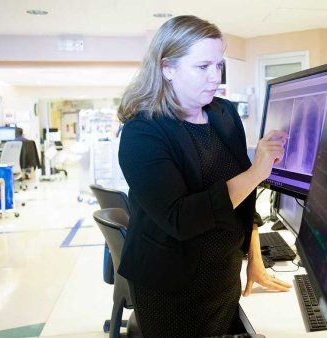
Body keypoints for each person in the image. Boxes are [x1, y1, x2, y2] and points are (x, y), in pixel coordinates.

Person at [117, 15, 292, 337]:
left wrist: (254, 258)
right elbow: (181, 218)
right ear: (167, 68)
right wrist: (257, 172)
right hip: (172, 284)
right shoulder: (142, 132)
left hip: (224, 273)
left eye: (219, 65)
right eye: (203, 67)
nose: (215, 78)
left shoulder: (222, 113)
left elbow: (242, 201)